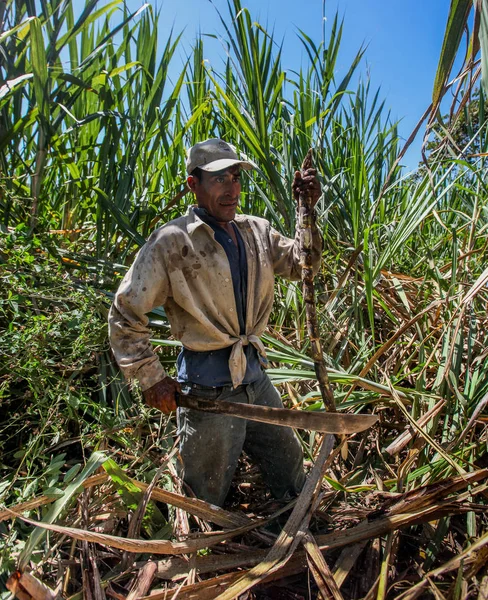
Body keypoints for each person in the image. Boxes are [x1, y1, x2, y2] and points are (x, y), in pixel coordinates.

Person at [108, 138, 323, 507]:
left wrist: (308, 210)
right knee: (206, 495)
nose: (232, 189)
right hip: (208, 391)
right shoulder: (172, 241)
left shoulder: (256, 230)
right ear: (194, 185)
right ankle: (205, 549)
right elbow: (126, 311)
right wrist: (151, 377)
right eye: (219, 179)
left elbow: (303, 264)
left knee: (290, 468)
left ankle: (297, 523)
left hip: (255, 378)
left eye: (236, 177)